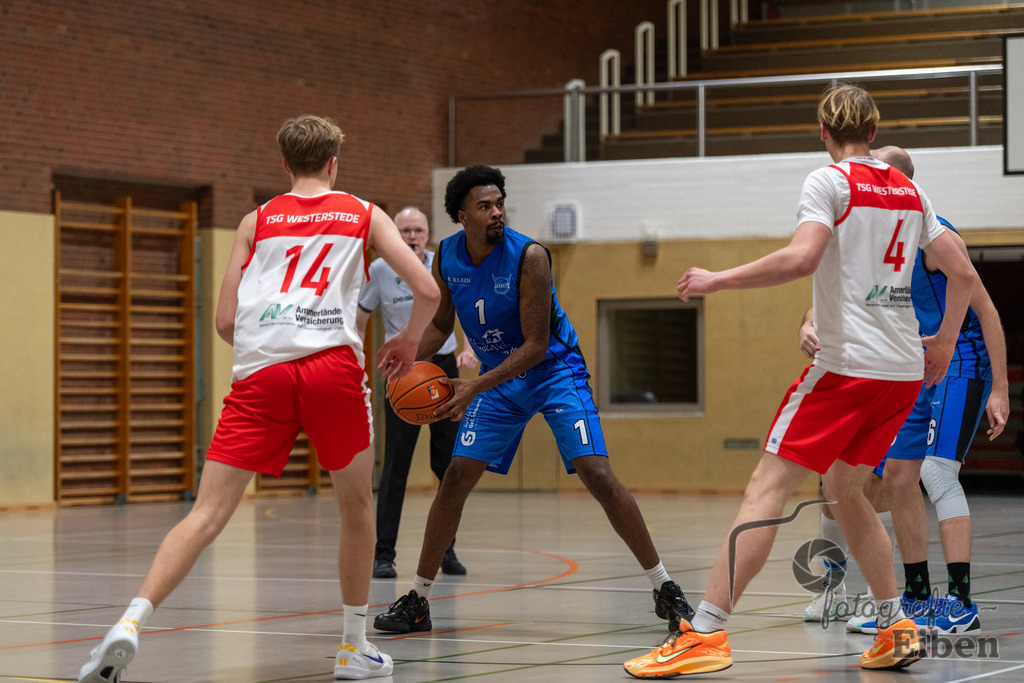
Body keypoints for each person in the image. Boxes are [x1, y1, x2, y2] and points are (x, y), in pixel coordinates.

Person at [623, 84, 981, 678]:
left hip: (847, 370)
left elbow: (800, 259)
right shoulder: (910, 191)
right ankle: (895, 626)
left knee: (765, 489)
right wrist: (942, 343)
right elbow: (963, 272)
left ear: (823, 132)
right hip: (900, 374)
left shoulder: (829, 182)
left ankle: (704, 632)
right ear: (873, 131)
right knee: (844, 489)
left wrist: (716, 279)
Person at [77, 114, 440, 683]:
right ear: (333, 164)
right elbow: (427, 289)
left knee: (206, 514)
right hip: (332, 370)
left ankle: (129, 623)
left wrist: (274, 341)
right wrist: (409, 340)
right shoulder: (364, 213)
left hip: (261, 372)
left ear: (285, 164)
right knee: (356, 509)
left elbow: (225, 321)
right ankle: (353, 647)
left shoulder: (256, 219)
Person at [372, 164, 695, 636]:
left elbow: (536, 346)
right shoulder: (447, 258)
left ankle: (665, 587)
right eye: (485, 206)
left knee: (596, 472)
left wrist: (475, 386)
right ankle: (418, 600)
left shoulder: (530, 256)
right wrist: (409, 356)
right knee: (455, 477)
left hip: (554, 371)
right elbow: (441, 324)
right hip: (500, 381)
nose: (496, 212)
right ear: (461, 215)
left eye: (500, 203)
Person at [799, 146, 1009, 635]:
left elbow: (987, 310)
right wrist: (808, 324)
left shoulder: (935, 235)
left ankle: (961, 603)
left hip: (960, 360)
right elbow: (833, 294)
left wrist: (999, 386)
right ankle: (914, 600)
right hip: (912, 367)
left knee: (937, 472)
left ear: (897, 183)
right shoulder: (874, 236)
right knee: (897, 475)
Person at [355, 206, 478, 580]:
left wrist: (469, 347)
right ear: (395, 234)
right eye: (405, 230)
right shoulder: (379, 269)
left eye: (418, 230)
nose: (412, 237)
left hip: (442, 371)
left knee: (449, 466)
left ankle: (447, 551)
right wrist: (353, 362)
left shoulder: (443, 264)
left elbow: (466, 310)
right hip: (403, 373)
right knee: (396, 466)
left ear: (428, 234)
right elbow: (359, 319)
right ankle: (383, 555)